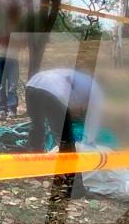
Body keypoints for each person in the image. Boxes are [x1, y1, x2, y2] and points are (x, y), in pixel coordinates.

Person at [25, 68, 104, 196]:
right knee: (65, 141)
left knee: (37, 126)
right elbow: (92, 118)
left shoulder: (79, 77)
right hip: (53, 92)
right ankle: (76, 188)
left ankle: (35, 170)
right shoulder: (95, 89)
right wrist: (90, 142)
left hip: (32, 85)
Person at [0, 3, 25, 119]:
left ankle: (12, 109)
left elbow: (22, 43)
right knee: (1, 85)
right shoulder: (3, 24)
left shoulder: (19, 27)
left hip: (13, 58)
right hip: (0, 57)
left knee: (12, 85)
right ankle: (2, 109)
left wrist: (13, 41)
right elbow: (3, 40)